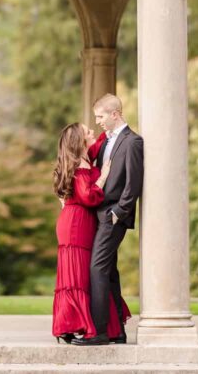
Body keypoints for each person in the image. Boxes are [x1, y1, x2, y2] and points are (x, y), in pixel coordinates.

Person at [71, 94, 144, 347]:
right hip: (99, 215)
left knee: (97, 269)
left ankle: (99, 332)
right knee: (109, 272)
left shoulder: (133, 142)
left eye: (100, 116)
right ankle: (117, 332)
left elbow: (133, 184)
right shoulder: (105, 143)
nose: (98, 122)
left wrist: (118, 213)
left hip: (113, 217)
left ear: (115, 114)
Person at [51, 123, 131, 344]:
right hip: (77, 224)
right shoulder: (80, 163)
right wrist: (103, 176)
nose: (92, 132)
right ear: (79, 140)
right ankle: (77, 324)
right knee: (81, 275)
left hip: (72, 220)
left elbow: (102, 141)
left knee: (79, 275)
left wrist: (113, 124)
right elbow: (88, 196)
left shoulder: (81, 157)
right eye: (87, 132)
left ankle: (70, 324)